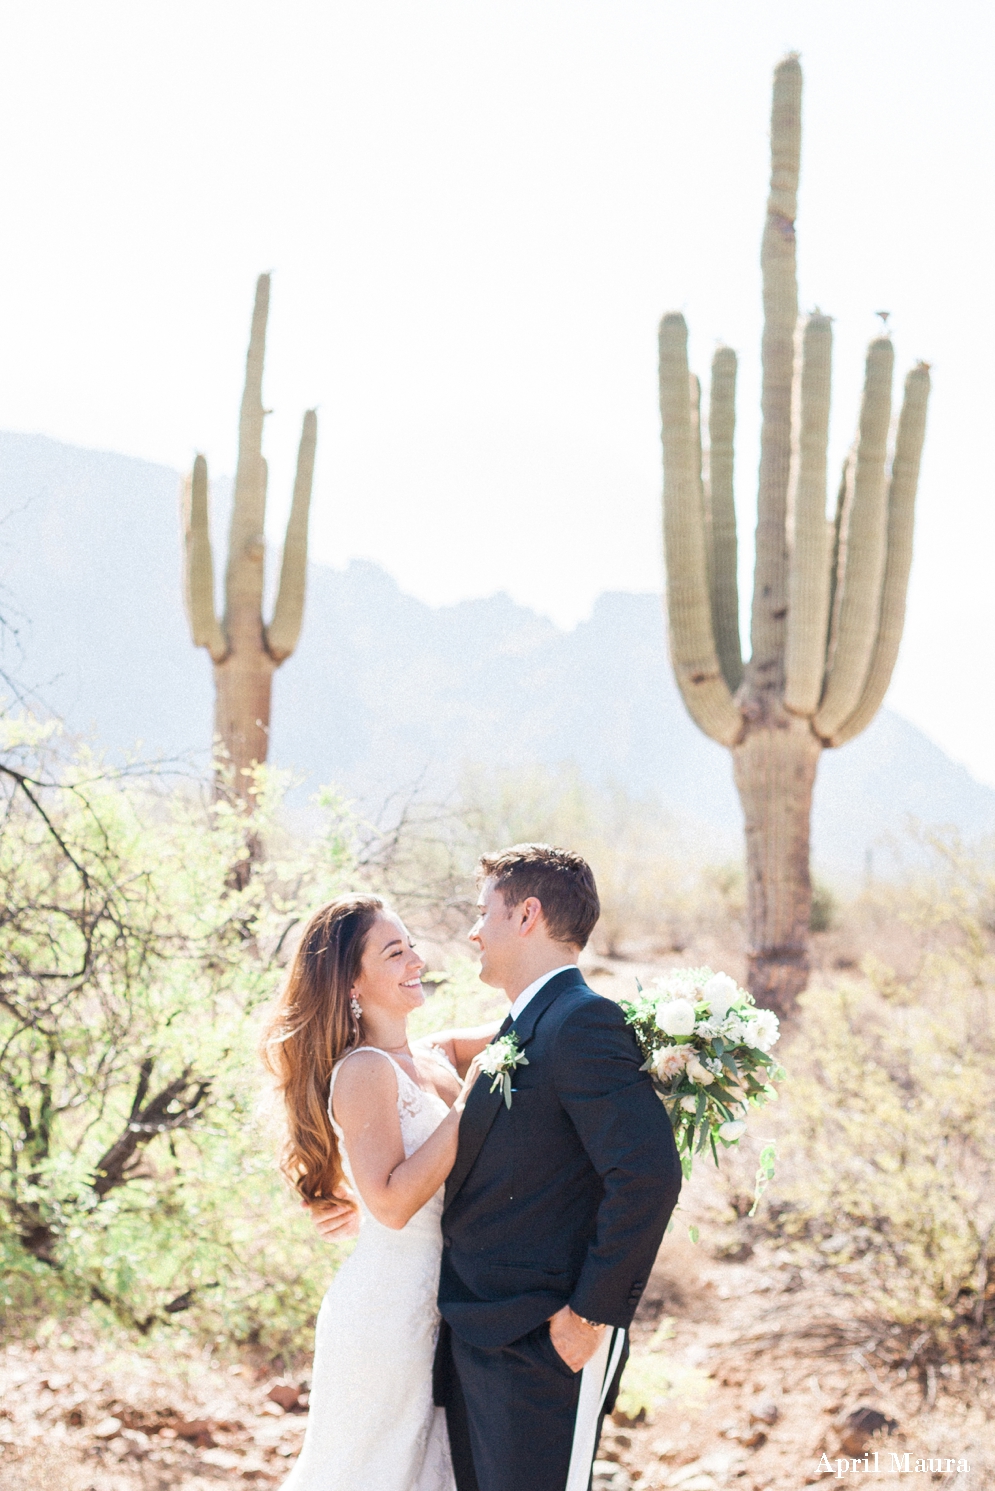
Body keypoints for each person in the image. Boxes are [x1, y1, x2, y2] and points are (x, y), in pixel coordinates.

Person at [433, 844, 682, 1491]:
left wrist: (588, 1316)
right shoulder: (524, 1023)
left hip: (540, 1344)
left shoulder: (582, 1020)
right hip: (483, 1331)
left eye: (484, 911)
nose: (472, 929)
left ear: (526, 916)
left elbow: (648, 1173)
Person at [263, 893, 498, 1491]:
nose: (416, 959)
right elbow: (391, 1206)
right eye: (395, 952)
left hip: (441, 1309)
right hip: (387, 1315)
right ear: (352, 982)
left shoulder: (435, 1054)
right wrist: (470, 1105)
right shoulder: (364, 1070)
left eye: (411, 945)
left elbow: (535, 1026)